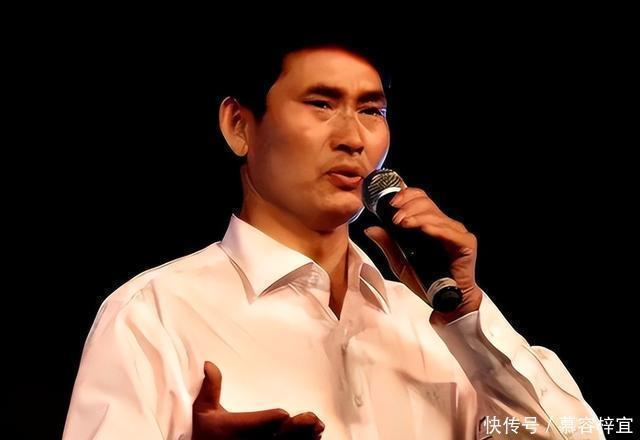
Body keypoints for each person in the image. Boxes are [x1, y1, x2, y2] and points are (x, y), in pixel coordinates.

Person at [63, 39, 604, 439]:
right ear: (238, 125)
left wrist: (465, 316)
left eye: (372, 111)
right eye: (321, 104)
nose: (353, 138)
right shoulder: (155, 313)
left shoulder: (434, 324)